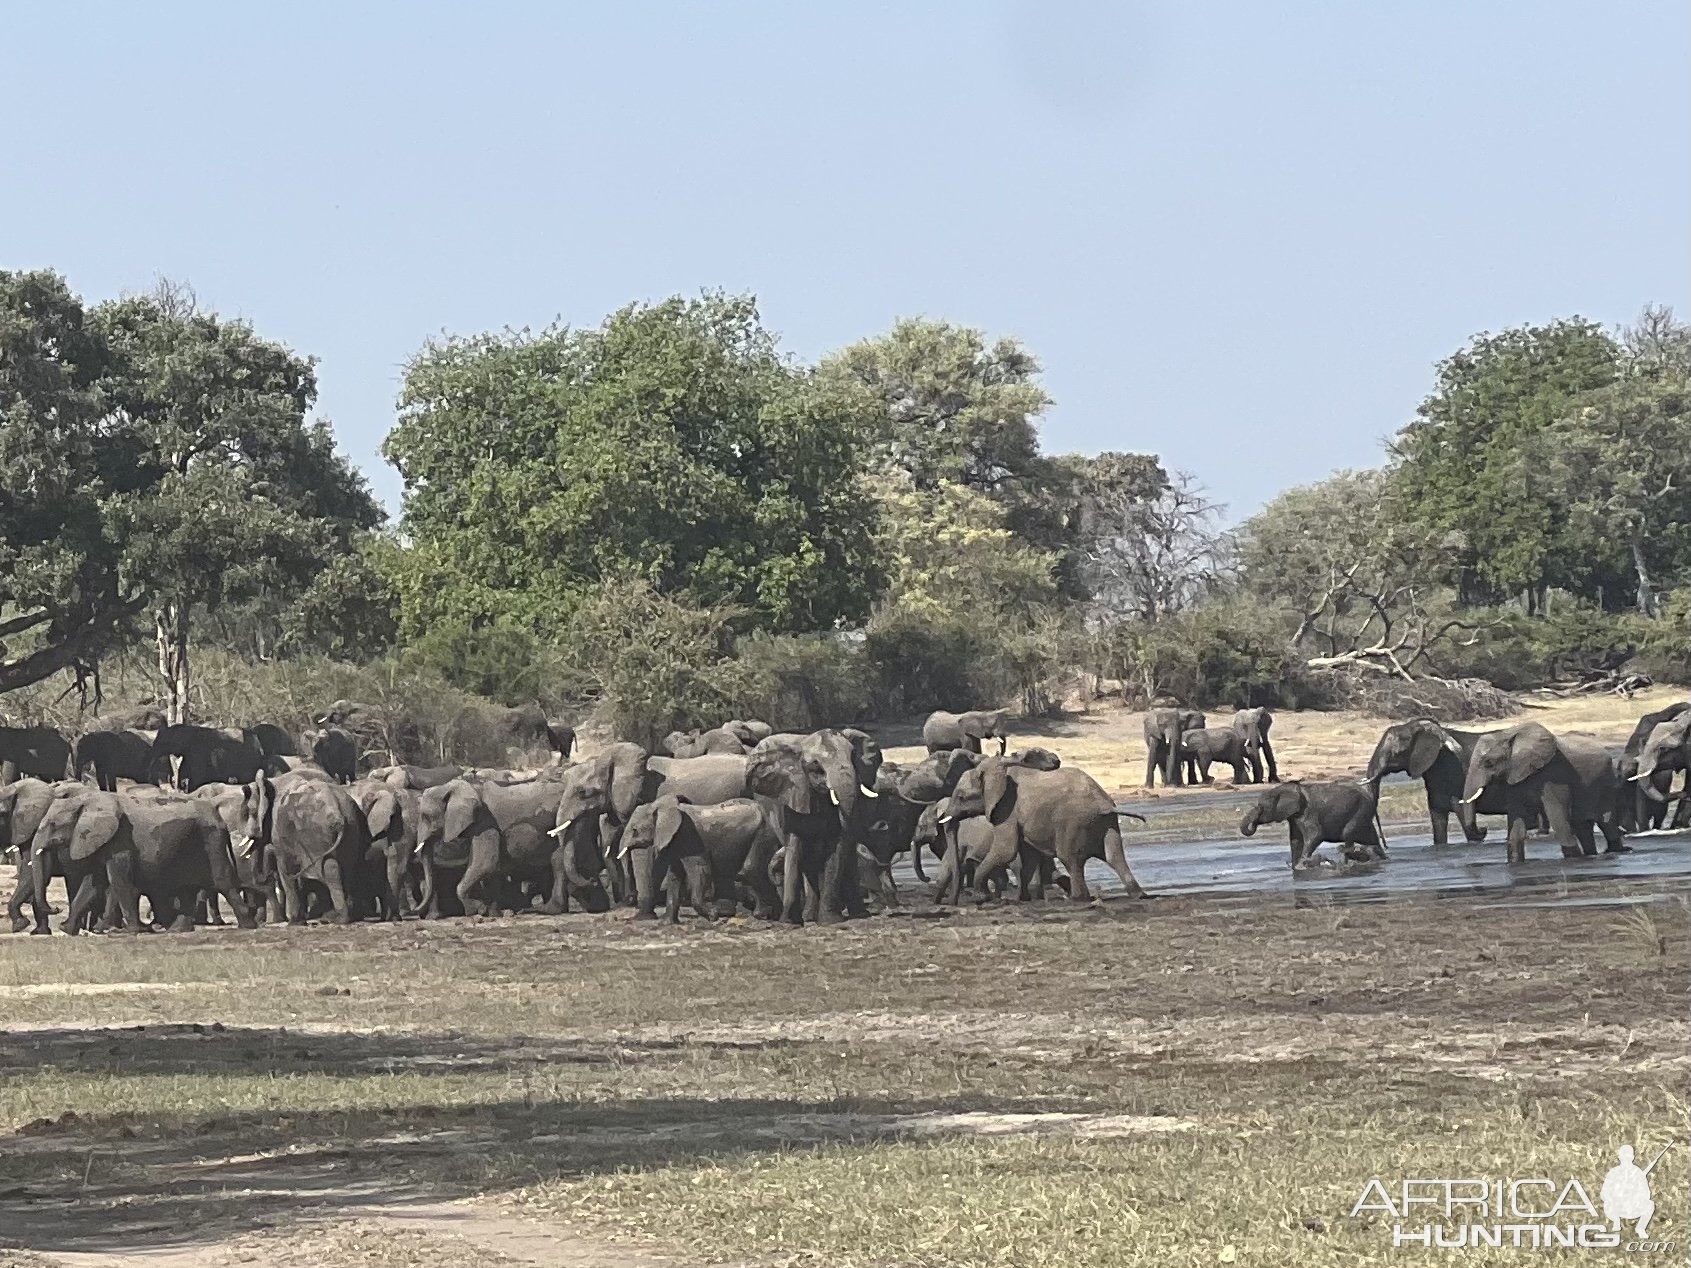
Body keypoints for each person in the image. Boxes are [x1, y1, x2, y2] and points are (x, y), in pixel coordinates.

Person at [1600, 1144, 1655, 1237]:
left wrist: (1634, 1195)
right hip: (1616, 1208)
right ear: (1620, 1157)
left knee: (1649, 1205)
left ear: (1632, 1157)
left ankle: (1640, 1229)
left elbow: (1646, 1195)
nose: (1626, 1160)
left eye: (1628, 1157)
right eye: (1624, 1157)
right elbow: (1604, 1194)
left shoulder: (1638, 1173)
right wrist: (1616, 1197)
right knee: (1608, 1204)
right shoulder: (1613, 1172)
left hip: (1632, 1208)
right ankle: (1616, 1221)